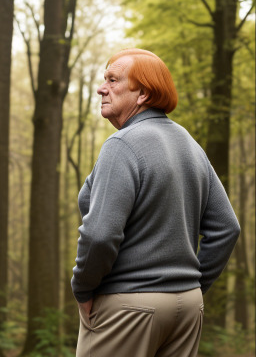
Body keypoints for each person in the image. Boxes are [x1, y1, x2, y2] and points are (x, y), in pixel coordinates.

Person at [71, 48, 240, 357]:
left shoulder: (121, 145)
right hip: (187, 309)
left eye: (113, 79)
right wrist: (191, 286)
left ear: (143, 94)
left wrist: (82, 289)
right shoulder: (190, 145)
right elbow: (227, 227)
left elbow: (99, 235)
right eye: (103, 79)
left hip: (129, 307)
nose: (101, 88)